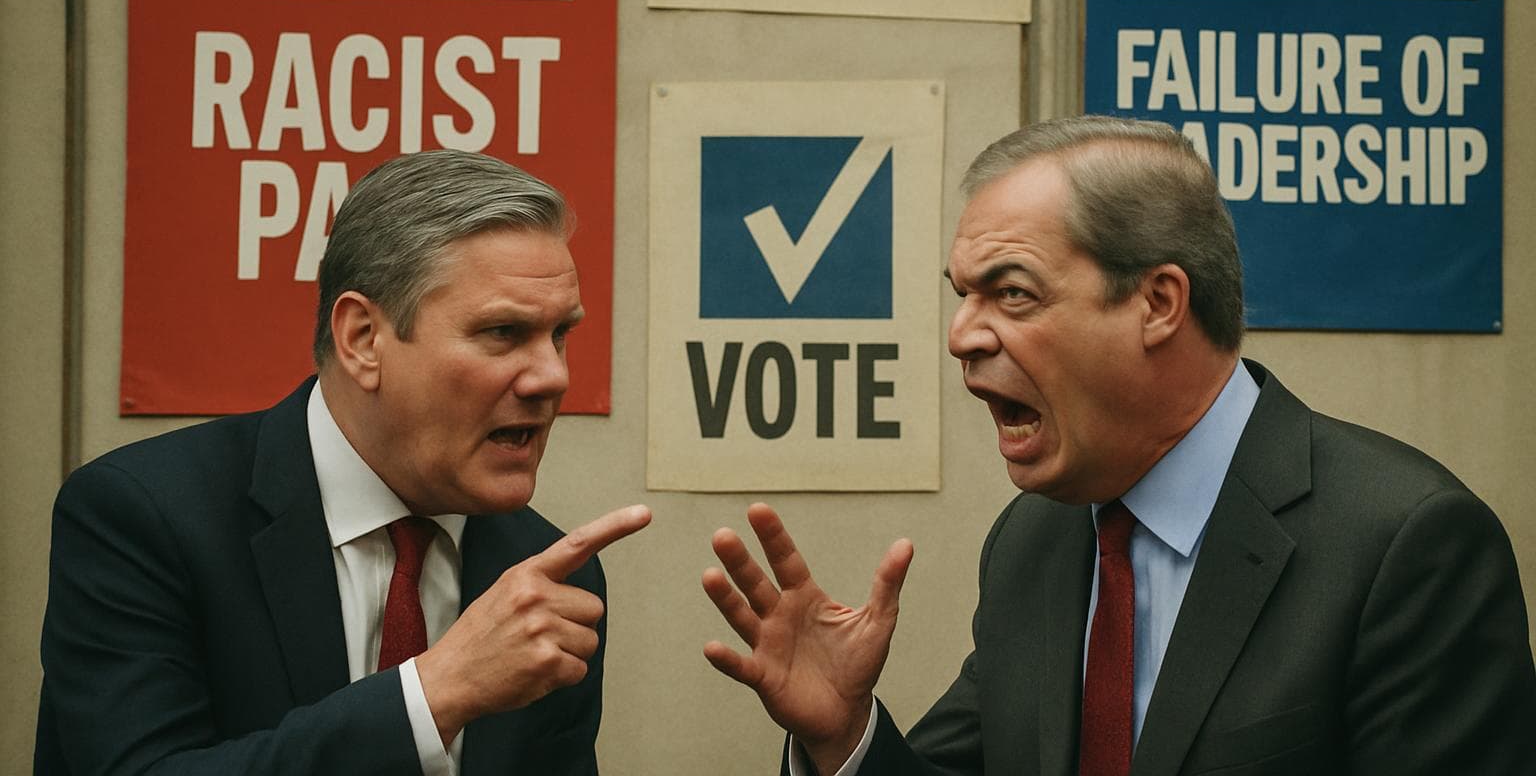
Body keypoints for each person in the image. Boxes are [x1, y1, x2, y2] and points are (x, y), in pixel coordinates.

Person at [701, 115, 1536, 775]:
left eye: (1012, 294)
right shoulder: (1035, 540)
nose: (960, 335)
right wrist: (845, 733)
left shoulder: (1406, 545)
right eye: (961, 297)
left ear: (1159, 303)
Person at [37, 150, 650, 775]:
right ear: (362, 339)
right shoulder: (144, 516)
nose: (552, 376)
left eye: (560, 335)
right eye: (503, 333)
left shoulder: (550, 576)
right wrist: (431, 696)